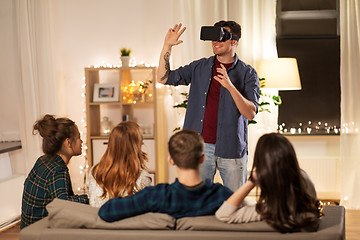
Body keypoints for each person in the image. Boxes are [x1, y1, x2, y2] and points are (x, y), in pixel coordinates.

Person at [157, 21, 260, 192]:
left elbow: (250, 114)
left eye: (221, 37)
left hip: (232, 148)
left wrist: (230, 86)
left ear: (234, 41)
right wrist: (167, 45)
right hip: (199, 149)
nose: (215, 41)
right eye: (213, 37)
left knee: (235, 203)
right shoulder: (199, 67)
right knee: (196, 202)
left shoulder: (248, 73)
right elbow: (163, 78)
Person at [98, 129, 233, 222]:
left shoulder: (156, 196)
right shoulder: (222, 196)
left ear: (171, 160)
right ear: (202, 158)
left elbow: (106, 211)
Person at [215, 133, 321, 233]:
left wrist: (252, 180)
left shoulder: (270, 211)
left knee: (236, 202)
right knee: (245, 202)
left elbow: (223, 214)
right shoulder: (302, 177)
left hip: (278, 209)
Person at [21, 114, 89, 229]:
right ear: (68, 142)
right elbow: (63, 204)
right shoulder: (57, 170)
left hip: (27, 228)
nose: (81, 142)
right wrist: (90, 197)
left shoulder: (43, 160)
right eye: (78, 137)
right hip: (40, 230)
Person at [88, 121, 152, 207]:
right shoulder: (142, 177)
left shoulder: (94, 171)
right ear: (136, 146)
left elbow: (92, 202)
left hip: (96, 219)